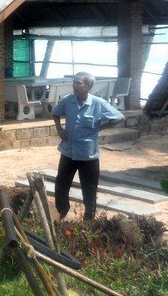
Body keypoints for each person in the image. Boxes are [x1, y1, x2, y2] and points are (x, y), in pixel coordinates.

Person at [52, 72, 125, 222]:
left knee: (89, 189)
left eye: (78, 83)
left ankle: (89, 219)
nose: (74, 85)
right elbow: (55, 113)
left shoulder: (98, 104)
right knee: (61, 185)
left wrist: (101, 127)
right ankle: (62, 211)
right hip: (68, 153)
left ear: (89, 86)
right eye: (74, 82)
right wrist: (59, 128)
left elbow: (119, 117)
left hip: (88, 155)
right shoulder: (67, 101)